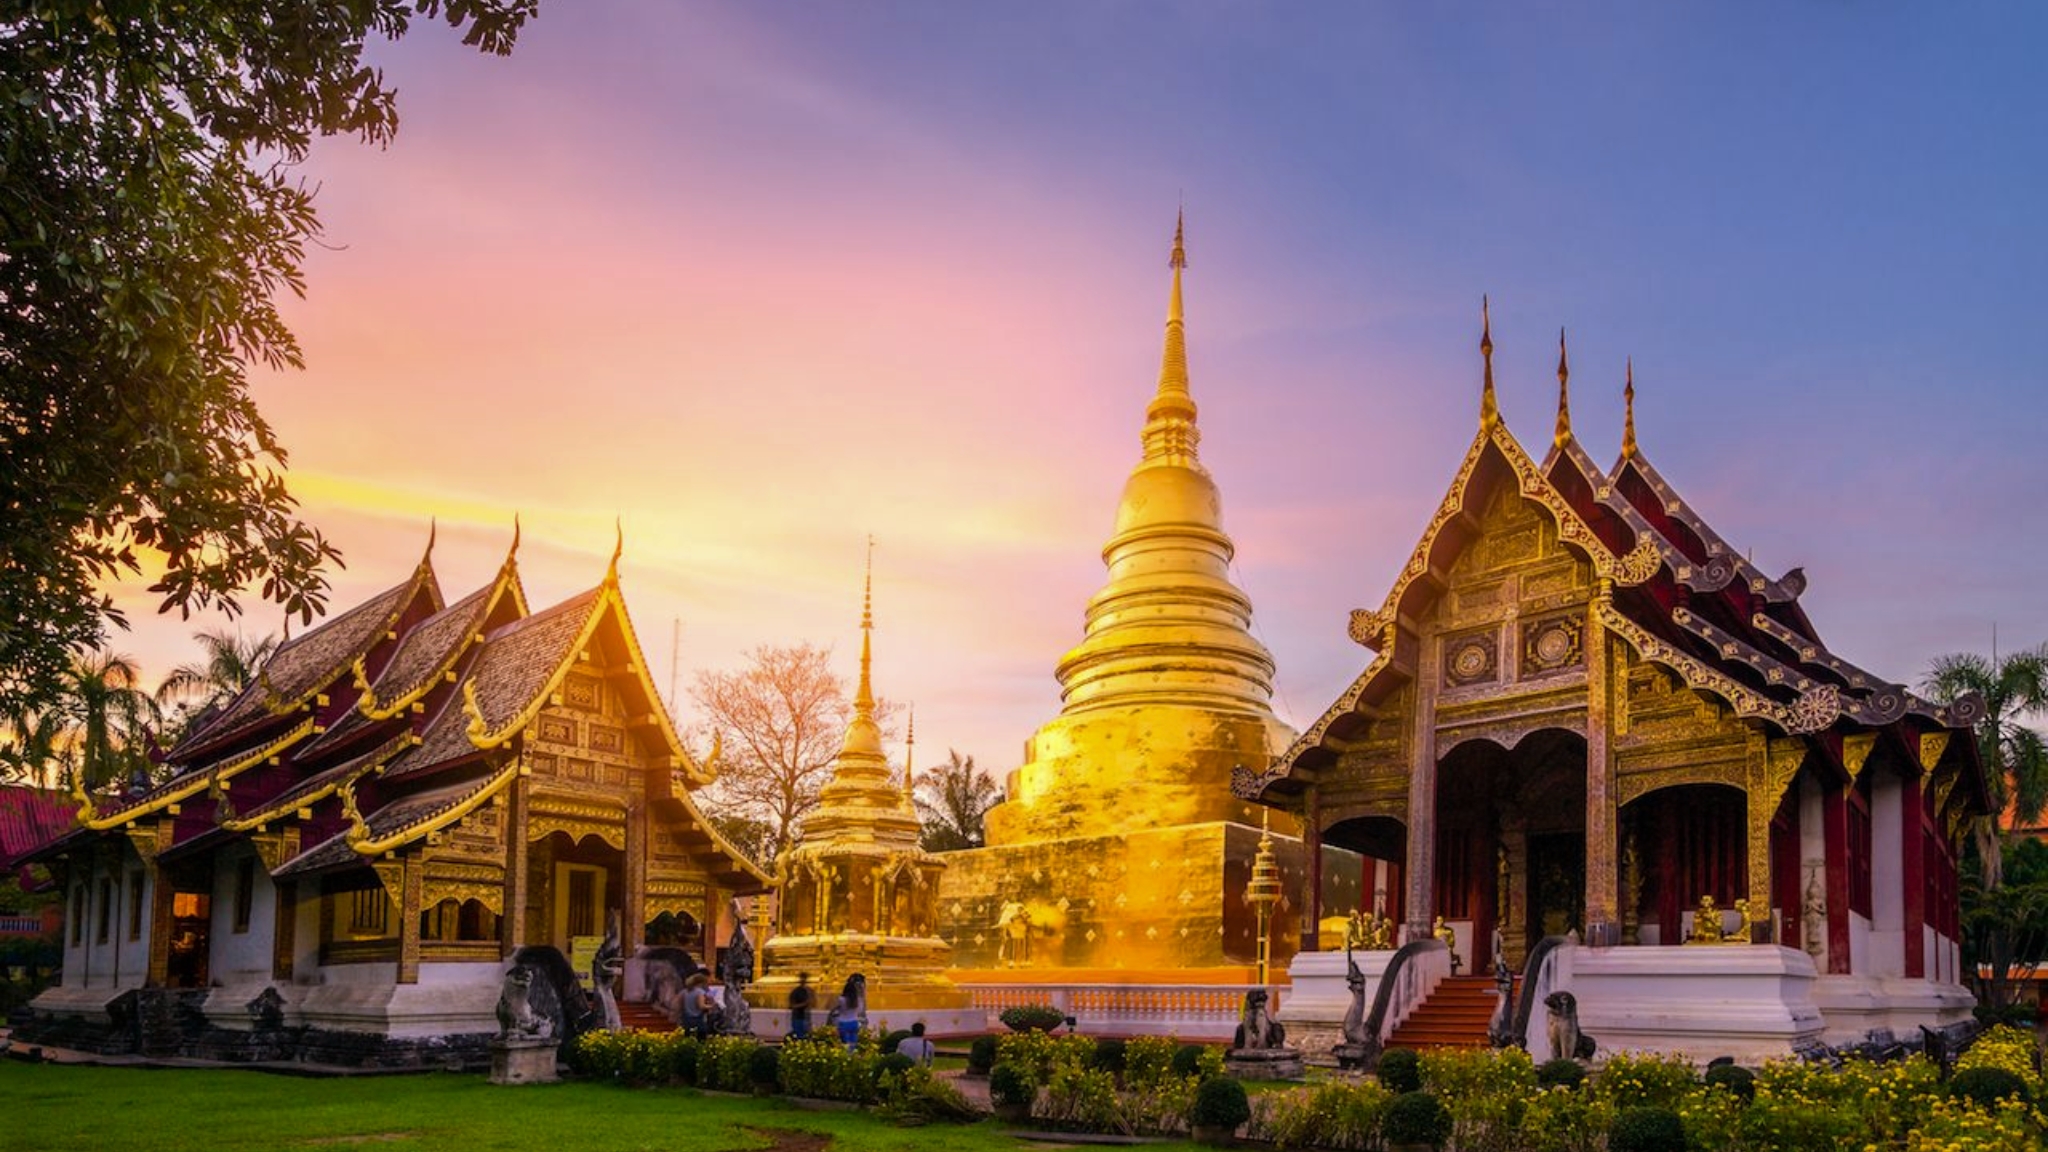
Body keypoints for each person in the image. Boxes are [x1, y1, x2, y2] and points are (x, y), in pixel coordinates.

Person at [788, 972, 814, 1040]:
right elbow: (791, 1005)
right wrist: (804, 1004)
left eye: (804, 979)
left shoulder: (808, 991)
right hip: (797, 1017)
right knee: (800, 1037)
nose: (803, 980)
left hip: (805, 1017)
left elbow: (812, 1002)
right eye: (802, 978)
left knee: (806, 1036)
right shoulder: (796, 991)